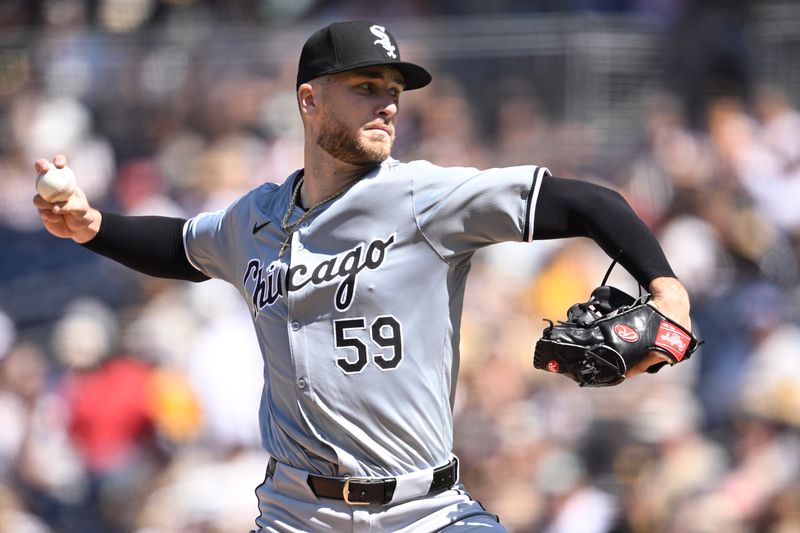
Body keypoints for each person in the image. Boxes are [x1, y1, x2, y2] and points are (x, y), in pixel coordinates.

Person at [34, 20, 692, 532]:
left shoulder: (423, 197)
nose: (387, 105)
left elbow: (586, 203)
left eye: (393, 91)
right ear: (309, 99)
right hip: (297, 510)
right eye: (366, 86)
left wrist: (669, 290)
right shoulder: (255, 218)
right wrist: (91, 224)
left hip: (423, 509)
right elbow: (180, 246)